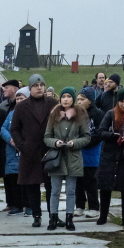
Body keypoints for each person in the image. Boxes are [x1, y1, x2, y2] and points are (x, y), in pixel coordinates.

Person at [9, 74, 57, 227]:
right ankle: (36, 214)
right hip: (29, 151)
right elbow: (15, 129)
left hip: (49, 150)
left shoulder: (52, 103)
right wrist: (22, 146)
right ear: (30, 88)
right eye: (36, 85)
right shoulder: (22, 106)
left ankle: (53, 214)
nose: (39, 88)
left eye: (41, 85)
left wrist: (55, 143)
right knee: (32, 184)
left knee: (52, 184)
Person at [41, 88, 89, 231]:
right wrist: (55, 143)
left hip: (73, 157)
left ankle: (69, 218)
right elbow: (46, 137)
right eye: (63, 96)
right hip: (57, 157)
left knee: (70, 191)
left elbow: (87, 137)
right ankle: (53, 217)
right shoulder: (54, 116)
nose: (66, 99)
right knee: (55, 190)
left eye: (69, 96)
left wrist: (75, 143)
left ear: (73, 99)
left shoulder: (80, 116)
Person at [94, 88, 124, 227]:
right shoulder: (111, 114)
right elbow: (101, 131)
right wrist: (114, 136)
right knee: (105, 187)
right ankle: (103, 216)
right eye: (121, 101)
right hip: (109, 154)